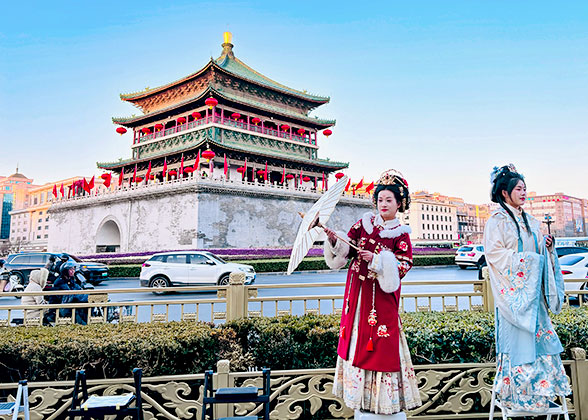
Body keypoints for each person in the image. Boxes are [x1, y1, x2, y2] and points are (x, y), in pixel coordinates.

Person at [323, 169, 421, 419]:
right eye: (380, 200)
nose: (383, 204)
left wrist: (377, 260)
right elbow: (346, 249)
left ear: (399, 204)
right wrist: (335, 240)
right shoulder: (363, 224)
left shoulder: (401, 235)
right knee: (356, 341)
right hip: (358, 296)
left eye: (389, 200)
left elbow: (403, 266)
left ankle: (383, 402)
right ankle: (360, 400)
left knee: (380, 344)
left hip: (381, 301)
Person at [484, 164, 571, 412]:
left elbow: (539, 253)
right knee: (518, 344)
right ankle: (517, 398)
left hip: (535, 298)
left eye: (525, 188)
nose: (523, 192)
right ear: (504, 193)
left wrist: (547, 248)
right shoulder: (496, 222)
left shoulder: (531, 221)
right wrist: (527, 262)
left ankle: (542, 395)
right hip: (514, 297)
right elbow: (495, 255)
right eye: (518, 188)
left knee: (541, 343)